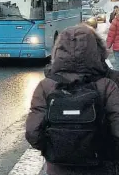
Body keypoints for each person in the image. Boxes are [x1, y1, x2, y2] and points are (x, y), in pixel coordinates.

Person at [27, 25, 119, 175]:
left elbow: (33, 133)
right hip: (101, 168)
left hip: (58, 169)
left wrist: (54, 150)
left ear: (58, 51)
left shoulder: (47, 86)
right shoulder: (107, 85)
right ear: (97, 51)